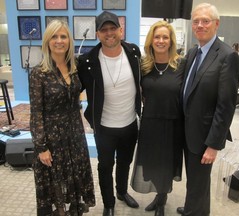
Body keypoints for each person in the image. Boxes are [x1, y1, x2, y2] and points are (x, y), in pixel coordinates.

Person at [177, 3, 239, 216]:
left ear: (216, 24)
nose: (200, 25)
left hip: (204, 136)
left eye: (205, 21)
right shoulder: (194, 52)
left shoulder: (227, 55)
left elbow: (226, 106)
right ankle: (193, 208)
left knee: (198, 182)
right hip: (187, 131)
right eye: (196, 21)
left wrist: (214, 145)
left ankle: (194, 212)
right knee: (195, 182)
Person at [77, 11, 141, 216]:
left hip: (130, 123)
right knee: (105, 166)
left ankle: (122, 192)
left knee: (125, 162)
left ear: (120, 30)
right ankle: (109, 203)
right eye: (104, 30)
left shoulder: (134, 52)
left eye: (113, 28)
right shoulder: (87, 61)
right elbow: (73, 89)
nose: (109, 33)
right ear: (98, 34)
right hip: (104, 126)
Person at [29, 20, 95, 216]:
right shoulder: (38, 73)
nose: (59, 41)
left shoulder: (75, 69)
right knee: (55, 186)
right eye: (54, 37)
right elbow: (36, 112)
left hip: (74, 135)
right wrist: (41, 147)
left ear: (69, 40)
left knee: (73, 182)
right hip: (52, 138)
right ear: (47, 41)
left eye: (63, 36)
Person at [131, 21, 185, 216]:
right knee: (152, 163)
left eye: (165, 37)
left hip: (172, 123)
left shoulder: (181, 64)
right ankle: (158, 196)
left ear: (170, 41)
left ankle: (162, 200)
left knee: (166, 164)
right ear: (151, 40)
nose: (161, 40)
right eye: (157, 37)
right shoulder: (143, 66)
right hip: (150, 122)